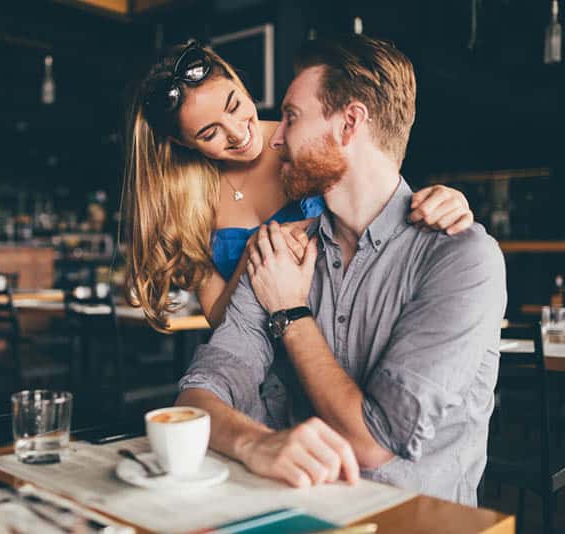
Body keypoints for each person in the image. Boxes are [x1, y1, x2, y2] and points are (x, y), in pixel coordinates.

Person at [176, 35, 506, 506]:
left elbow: (375, 444)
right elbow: (197, 395)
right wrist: (257, 443)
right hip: (296, 510)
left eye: (291, 117)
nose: (275, 137)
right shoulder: (279, 252)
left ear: (349, 123)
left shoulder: (461, 258)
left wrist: (289, 312)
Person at [123, 40, 475, 332]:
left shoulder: (306, 139)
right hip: (259, 366)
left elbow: (386, 207)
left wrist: (445, 200)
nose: (236, 131)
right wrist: (252, 255)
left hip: (348, 340)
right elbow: (218, 317)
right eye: (209, 133)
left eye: (234, 105)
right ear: (183, 143)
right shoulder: (188, 201)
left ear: (238, 82)